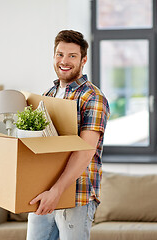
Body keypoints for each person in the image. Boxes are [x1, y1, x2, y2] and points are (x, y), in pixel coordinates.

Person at [26, 30, 110, 240]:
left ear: (84, 60)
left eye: (72, 56)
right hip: (43, 192)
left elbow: (85, 151)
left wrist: (57, 191)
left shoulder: (93, 98)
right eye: (60, 54)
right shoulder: (48, 95)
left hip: (76, 195)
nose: (64, 61)